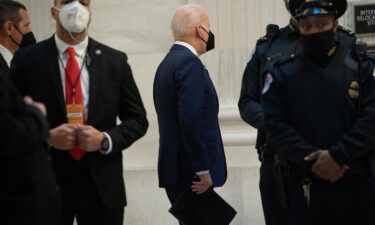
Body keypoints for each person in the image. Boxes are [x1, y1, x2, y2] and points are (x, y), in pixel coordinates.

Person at [10, 0, 149, 224]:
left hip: (103, 188)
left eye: (83, 2)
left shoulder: (115, 61)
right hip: (45, 184)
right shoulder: (27, 60)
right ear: (54, 11)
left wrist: (105, 139)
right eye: (67, 1)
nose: (76, 7)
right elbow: (8, 122)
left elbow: (138, 120)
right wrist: (46, 137)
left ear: (90, 13)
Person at [237, 0, 356, 224]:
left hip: (337, 162)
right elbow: (247, 101)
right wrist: (278, 122)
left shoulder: (345, 41)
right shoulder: (268, 46)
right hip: (280, 164)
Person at [262, 0, 375, 225]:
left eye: (321, 23)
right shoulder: (282, 74)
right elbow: (275, 125)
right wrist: (315, 160)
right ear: (300, 28)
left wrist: (337, 155)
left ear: (334, 24)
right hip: (304, 186)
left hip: (355, 185)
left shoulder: (361, 68)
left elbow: (371, 117)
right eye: (307, 26)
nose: (314, 31)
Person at [153, 4, 227, 225]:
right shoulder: (189, 63)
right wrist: (202, 169)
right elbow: (190, 120)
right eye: (209, 27)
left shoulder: (167, 63)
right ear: (200, 30)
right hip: (191, 173)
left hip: (177, 169)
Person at [0, 1, 61, 225]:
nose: (30, 32)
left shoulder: (21, 61)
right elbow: (8, 128)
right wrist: (37, 115)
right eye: (26, 25)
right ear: (9, 28)